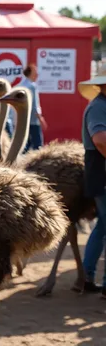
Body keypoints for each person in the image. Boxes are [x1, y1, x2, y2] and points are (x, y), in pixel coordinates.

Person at [78, 70, 106, 297]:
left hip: (100, 172)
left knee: (103, 226)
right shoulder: (99, 107)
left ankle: (86, 275)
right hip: (102, 173)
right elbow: (100, 140)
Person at [18, 64, 47, 152]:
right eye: (35, 72)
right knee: (37, 145)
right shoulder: (32, 86)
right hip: (33, 120)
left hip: (24, 119)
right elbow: (34, 104)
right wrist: (40, 118)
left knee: (25, 144)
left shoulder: (22, 85)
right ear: (30, 73)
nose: (37, 74)